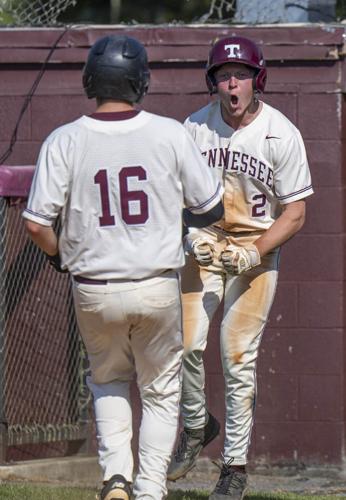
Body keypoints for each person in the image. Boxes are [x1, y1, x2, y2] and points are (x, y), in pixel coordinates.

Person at [22, 34, 224, 500]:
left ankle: (116, 478)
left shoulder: (64, 138)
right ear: (141, 82)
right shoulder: (170, 132)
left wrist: (59, 257)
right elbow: (210, 208)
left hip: (93, 285)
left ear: (91, 79)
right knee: (159, 391)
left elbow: (35, 225)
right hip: (156, 283)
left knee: (108, 380)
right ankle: (150, 488)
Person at [167, 35, 313, 499]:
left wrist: (254, 252)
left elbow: (296, 211)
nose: (232, 84)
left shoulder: (281, 133)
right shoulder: (195, 127)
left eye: (241, 76)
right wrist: (191, 234)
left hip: (256, 249)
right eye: (224, 76)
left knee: (237, 357)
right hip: (205, 242)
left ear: (258, 80)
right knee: (186, 344)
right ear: (213, 83)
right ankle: (195, 426)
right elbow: (175, 194)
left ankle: (234, 468)